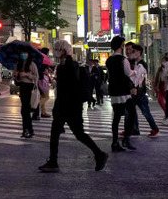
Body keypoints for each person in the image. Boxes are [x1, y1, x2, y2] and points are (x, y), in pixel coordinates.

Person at [38, 39, 108, 173]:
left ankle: (99, 154)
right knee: (73, 133)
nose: (56, 51)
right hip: (72, 106)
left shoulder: (66, 66)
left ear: (63, 51)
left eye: (58, 49)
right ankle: (54, 161)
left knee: (74, 133)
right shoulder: (70, 65)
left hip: (67, 106)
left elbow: (67, 88)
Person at [105, 35, 135, 152]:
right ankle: (126, 139)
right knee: (131, 114)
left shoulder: (109, 60)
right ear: (121, 46)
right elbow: (128, 73)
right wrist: (136, 72)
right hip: (123, 91)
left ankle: (115, 142)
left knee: (116, 117)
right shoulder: (123, 60)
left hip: (113, 91)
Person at [126, 42, 160, 138]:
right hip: (136, 92)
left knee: (145, 112)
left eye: (134, 51)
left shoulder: (141, 64)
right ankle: (133, 129)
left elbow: (139, 79)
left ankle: (155, 128)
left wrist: (135, 87)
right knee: (130, 111)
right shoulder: (135, 63)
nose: (131, 53)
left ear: (139, 52)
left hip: (139, 93)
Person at [14, 51, 39, 138]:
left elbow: (36, 77)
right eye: (22, 53)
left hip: (29, 87)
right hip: (22, 87)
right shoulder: (18, 64)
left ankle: (27, 130)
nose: (24, 55)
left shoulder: (32, 64)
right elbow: (16, 81)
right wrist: (16, 76)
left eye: (25, 53)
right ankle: (28, 130)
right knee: (25, 110)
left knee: (25, 109)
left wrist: (27, 74)